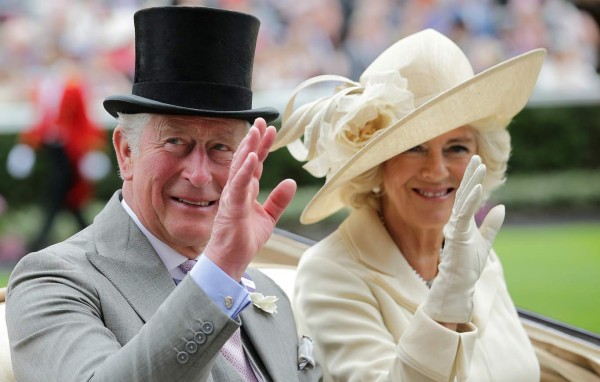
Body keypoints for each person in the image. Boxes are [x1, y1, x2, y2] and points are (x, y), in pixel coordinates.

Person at [6, 6, 321, 382]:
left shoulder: (263, 290)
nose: (199, 174)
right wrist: (219, 271)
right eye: (175, 142)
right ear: (126, 153)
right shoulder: (55, 280)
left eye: (221, 148)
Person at [271, 29, 545, 381]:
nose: (437, 170)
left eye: (457, 147)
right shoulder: (330, 272)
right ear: (377, 166)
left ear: (481, 156)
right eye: (414, 148)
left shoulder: (477, 255)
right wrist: (449, 297)